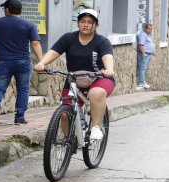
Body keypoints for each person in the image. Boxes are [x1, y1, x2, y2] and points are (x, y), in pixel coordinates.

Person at [35, 9, 115, 140]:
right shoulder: (68, 38)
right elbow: (54, 52)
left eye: (90, 22)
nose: (86, 24)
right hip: (74, 79)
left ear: (96, 25)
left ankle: (95, 127)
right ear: (78, 23)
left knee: (96, 93)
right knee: (65, 112)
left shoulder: (101, 41)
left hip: (99, 78)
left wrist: (109, 69)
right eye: (83, 21)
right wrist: (42, 63)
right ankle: (68, 141)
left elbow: (107, 56)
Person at [0, 0, 43, 126]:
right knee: (23, 89)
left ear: (8, 9)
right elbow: (35, 43)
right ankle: (19, 117)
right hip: (23, 62)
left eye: (4, 9)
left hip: (3, 61)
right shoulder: (29, 24)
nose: (4, 11)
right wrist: (41, 61)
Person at [136, 24, 155, 90]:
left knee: (144, 68)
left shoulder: (147, 35)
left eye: (151, 29)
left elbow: (148, 44)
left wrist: (152, 52)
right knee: (142, 68)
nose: (151, 30)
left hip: (148, 54)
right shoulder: (142, 35)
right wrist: (143, 53)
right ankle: (141, 83)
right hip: (144, 54)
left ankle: (143, 82)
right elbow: (141, 44)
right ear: (145, 29)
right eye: (149, 29)